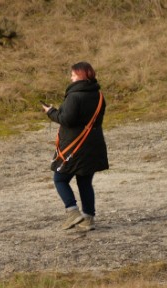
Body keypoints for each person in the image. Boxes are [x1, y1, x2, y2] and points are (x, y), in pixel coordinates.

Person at [42, 62, 109, 231]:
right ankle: (88, 219)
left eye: (72, 75)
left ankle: (72, 211)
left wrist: (51, 112)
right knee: (85, 181)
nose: (70, 78)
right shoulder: (99, 95)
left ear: (80, 76)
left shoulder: (74, 96)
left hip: (74, 146)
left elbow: (67, 120)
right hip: (93, 145)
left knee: (60, 179)